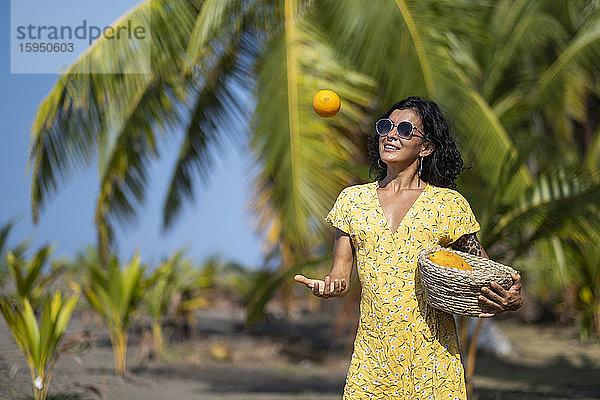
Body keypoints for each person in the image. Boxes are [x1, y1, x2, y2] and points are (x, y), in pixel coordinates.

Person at [294, 96, 523, 399]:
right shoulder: (352, 201)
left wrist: (511, 298)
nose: (390, 134)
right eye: (386, 126)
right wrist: (330, 286)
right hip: (371, 361)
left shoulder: (449, 205)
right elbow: (341, 275)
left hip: (433, 361)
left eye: (404, 129)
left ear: (426, 147)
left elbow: (484, 276)